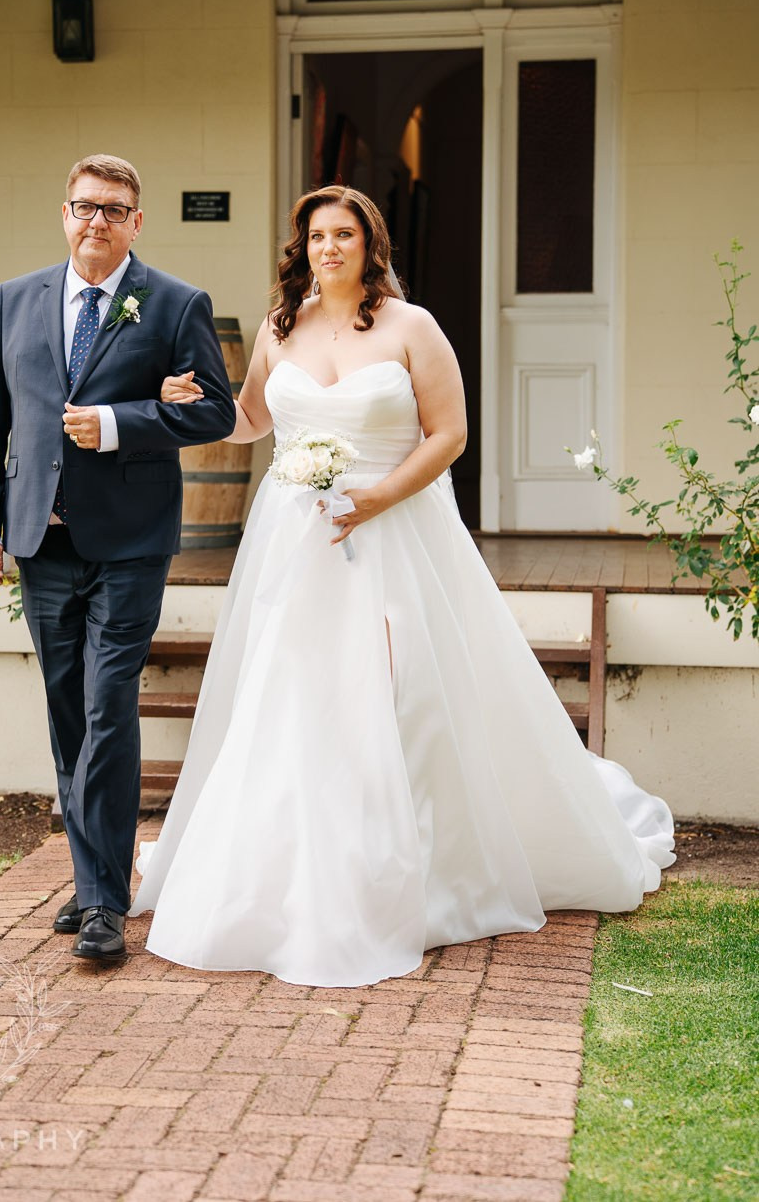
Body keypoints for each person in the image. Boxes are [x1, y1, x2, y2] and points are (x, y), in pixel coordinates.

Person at [132, 184, 676, 988]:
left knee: (400, 695)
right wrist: (190, 403)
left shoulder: (410, 327)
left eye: (343, 234)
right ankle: (291, 873)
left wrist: (378, 497)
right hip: (293, 541)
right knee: (290, 697)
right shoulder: (283, 329)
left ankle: (418, 869)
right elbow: (250, 423)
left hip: (390, 533)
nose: (328, 248)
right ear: (301, 247)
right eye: (316, 236)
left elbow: (449, 433)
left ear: (369, 243)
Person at [0, 154, 236, 966]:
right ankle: (91, 877)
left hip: (128, 543)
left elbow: (216, 412)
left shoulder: (176, 304)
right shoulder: (19, 299)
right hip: (39, 541)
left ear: (136, 223)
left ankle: (105, 904)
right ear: (65, 212)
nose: (98, 221)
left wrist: (121, 423)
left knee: (108, 705)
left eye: (115, 210)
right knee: (66, 712)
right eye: (85, 206)